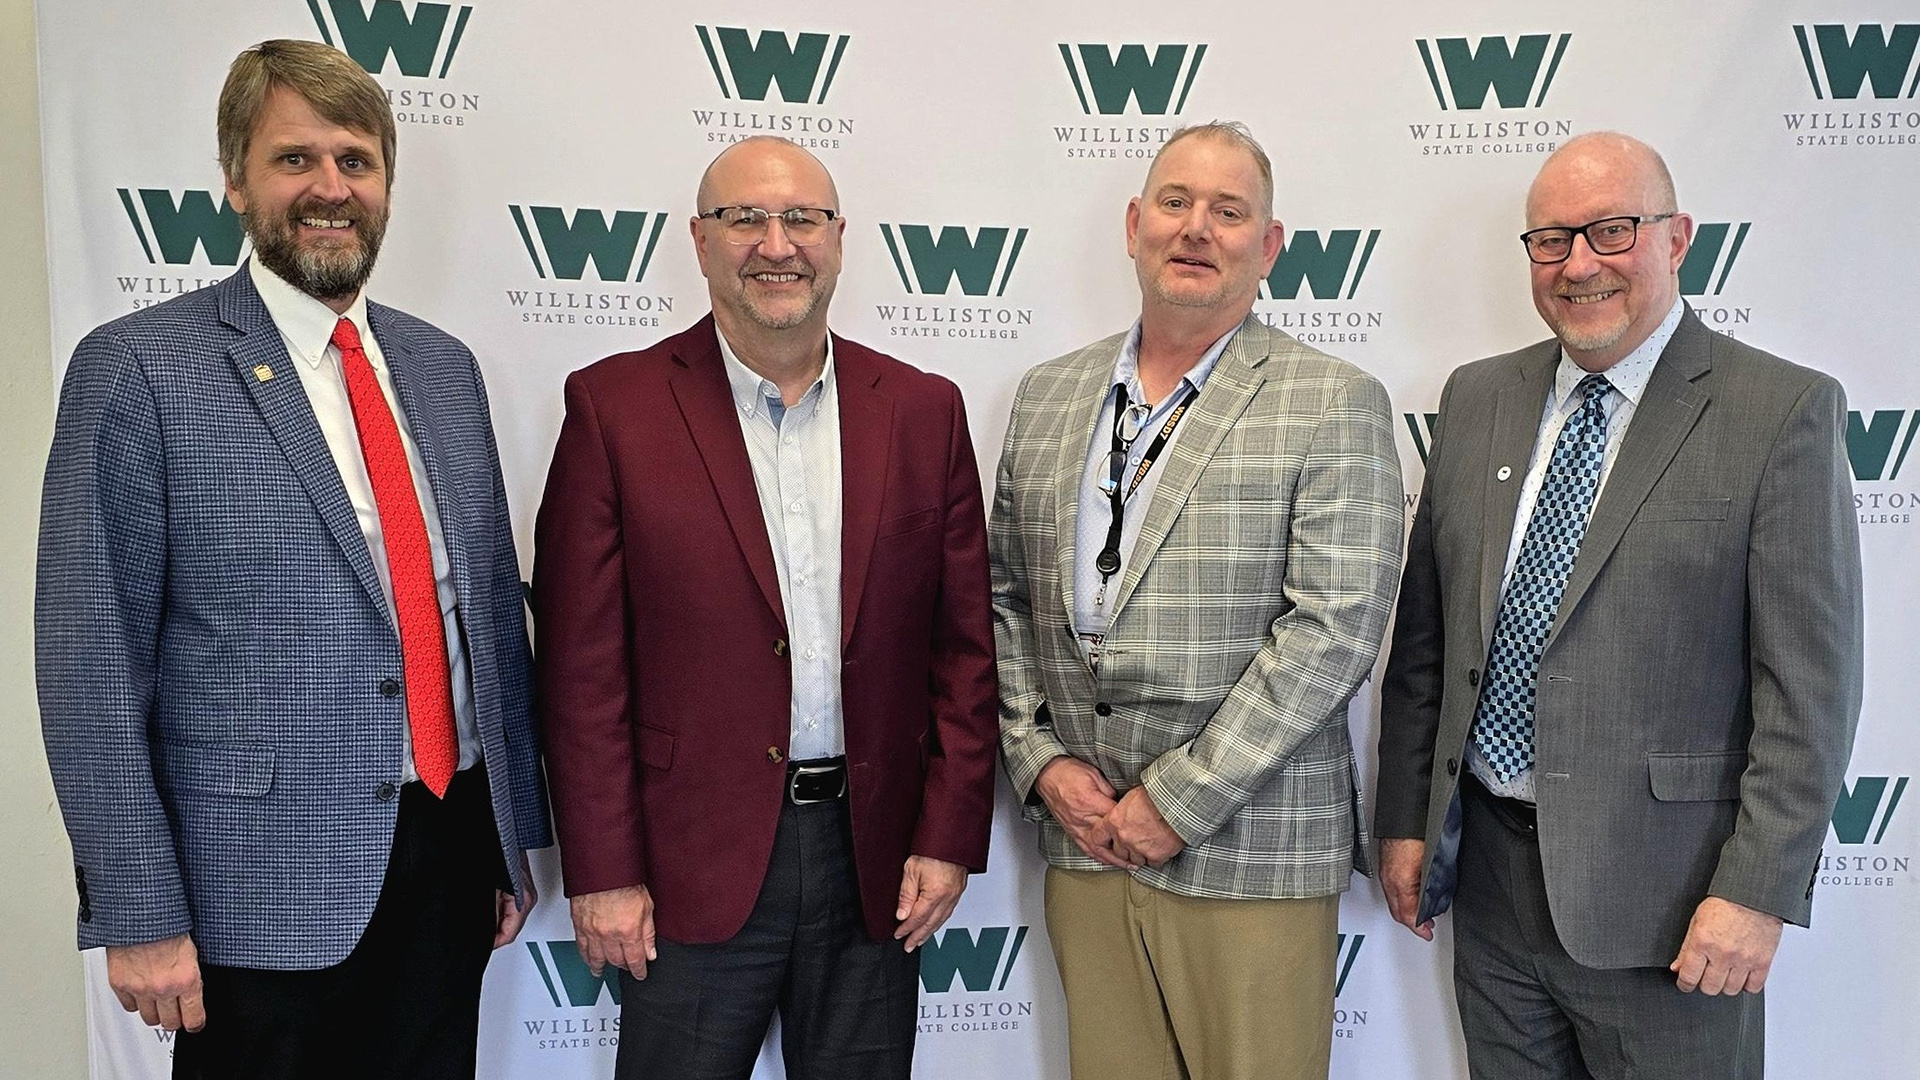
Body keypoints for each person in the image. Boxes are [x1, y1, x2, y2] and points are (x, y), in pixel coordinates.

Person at [35, 39, 549, 1079]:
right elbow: (91, 663)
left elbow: (486, 615)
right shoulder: (138, 370)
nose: (329, 188)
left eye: (355, 161)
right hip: (251, 899)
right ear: (234, 180)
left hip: (444, 863)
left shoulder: (445, 372)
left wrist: (504, 840)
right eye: (294, 160)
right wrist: (138, 908)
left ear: (386, 186)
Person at [1374, 131, 1863, 1080]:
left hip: (1674, 910)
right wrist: (1405, 822)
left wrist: (1756, 893)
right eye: (1551, 240)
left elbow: (1812, 690)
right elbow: (1426, 647)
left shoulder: (1779, 411)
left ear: (1677, 239)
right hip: (1490, 889)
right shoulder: (1476, 399)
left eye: (1611, 230)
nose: (1580, 263)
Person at [533, 135, 998, 1080]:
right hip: (685, 864)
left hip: (876, 865)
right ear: (700, 242)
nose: (776, 244)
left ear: (839, 239)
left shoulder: (922, 410)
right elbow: (580, 671)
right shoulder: (612, 409)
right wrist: (604, 870)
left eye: (801, 220)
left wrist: (947, 840)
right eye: (746, 219)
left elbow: (963, 655)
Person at [991, 121, 1404, 1080]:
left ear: (1269, 246)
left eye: (1229, 212)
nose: (1196, 228)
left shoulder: (1332, 399)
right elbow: (1004, 599)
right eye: (1175, 203)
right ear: (1135, 224)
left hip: (1250, 850)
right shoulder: (1049, 395)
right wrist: (1040, 757)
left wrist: (1179, 800)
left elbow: (1334, 629)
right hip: (1085, 841)